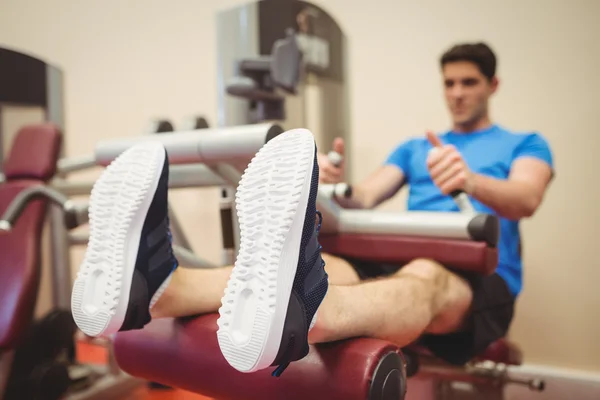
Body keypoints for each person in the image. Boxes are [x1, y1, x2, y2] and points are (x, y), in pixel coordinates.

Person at [70, 42, 555, 377]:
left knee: (425, 273)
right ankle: (161, 289)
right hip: (395, 256)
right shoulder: (415, 148)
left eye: (468, 82)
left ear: (493, 84)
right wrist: (335, 182)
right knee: (331, 267)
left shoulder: (525, 143)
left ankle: (310, 312)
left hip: (479, 275)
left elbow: (526, 198)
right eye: (449, 82)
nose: (456, 93)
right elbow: (364, 197)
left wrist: (470, 180)